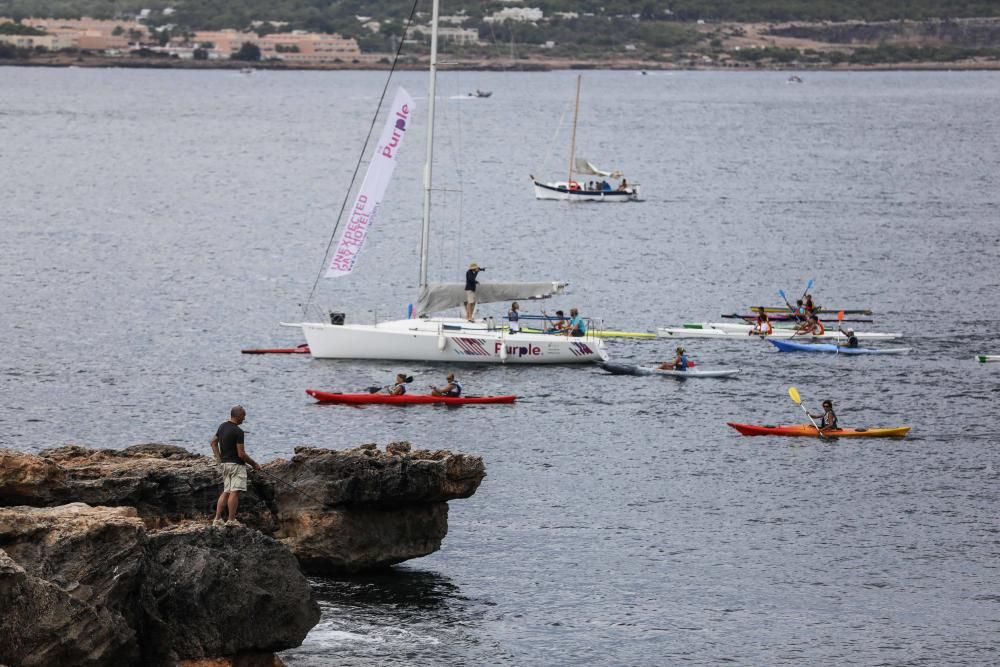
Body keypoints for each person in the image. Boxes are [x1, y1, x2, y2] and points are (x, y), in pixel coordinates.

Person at [211, 405, 260, 527]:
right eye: (243, 416)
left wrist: (219, 459)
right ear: (238, 416)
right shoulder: (238, 432)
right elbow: (241, 454)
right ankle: (231, 520)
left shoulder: (222, 426)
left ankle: (217, 519)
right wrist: (254, 464)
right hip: (237, 466)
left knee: (226, 491)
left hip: (225, 464)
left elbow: (213, 442)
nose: (244, 419)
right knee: (234, 492)